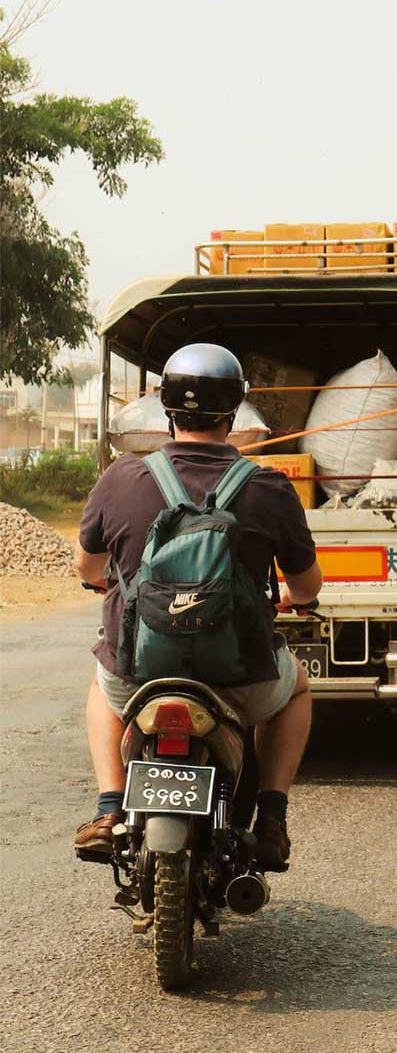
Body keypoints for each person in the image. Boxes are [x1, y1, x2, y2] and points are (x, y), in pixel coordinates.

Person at [72, 343, 323, 872]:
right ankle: (272, 818)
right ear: (234, 412)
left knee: (101, 684)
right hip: (241, 675)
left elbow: (87, 568)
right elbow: (304, 585)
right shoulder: (270, 487)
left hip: (138, 672)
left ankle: (109, 808)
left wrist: (105, 582)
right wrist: (302, 601)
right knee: (296, 688)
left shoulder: (121, 478)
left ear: (167, 408)